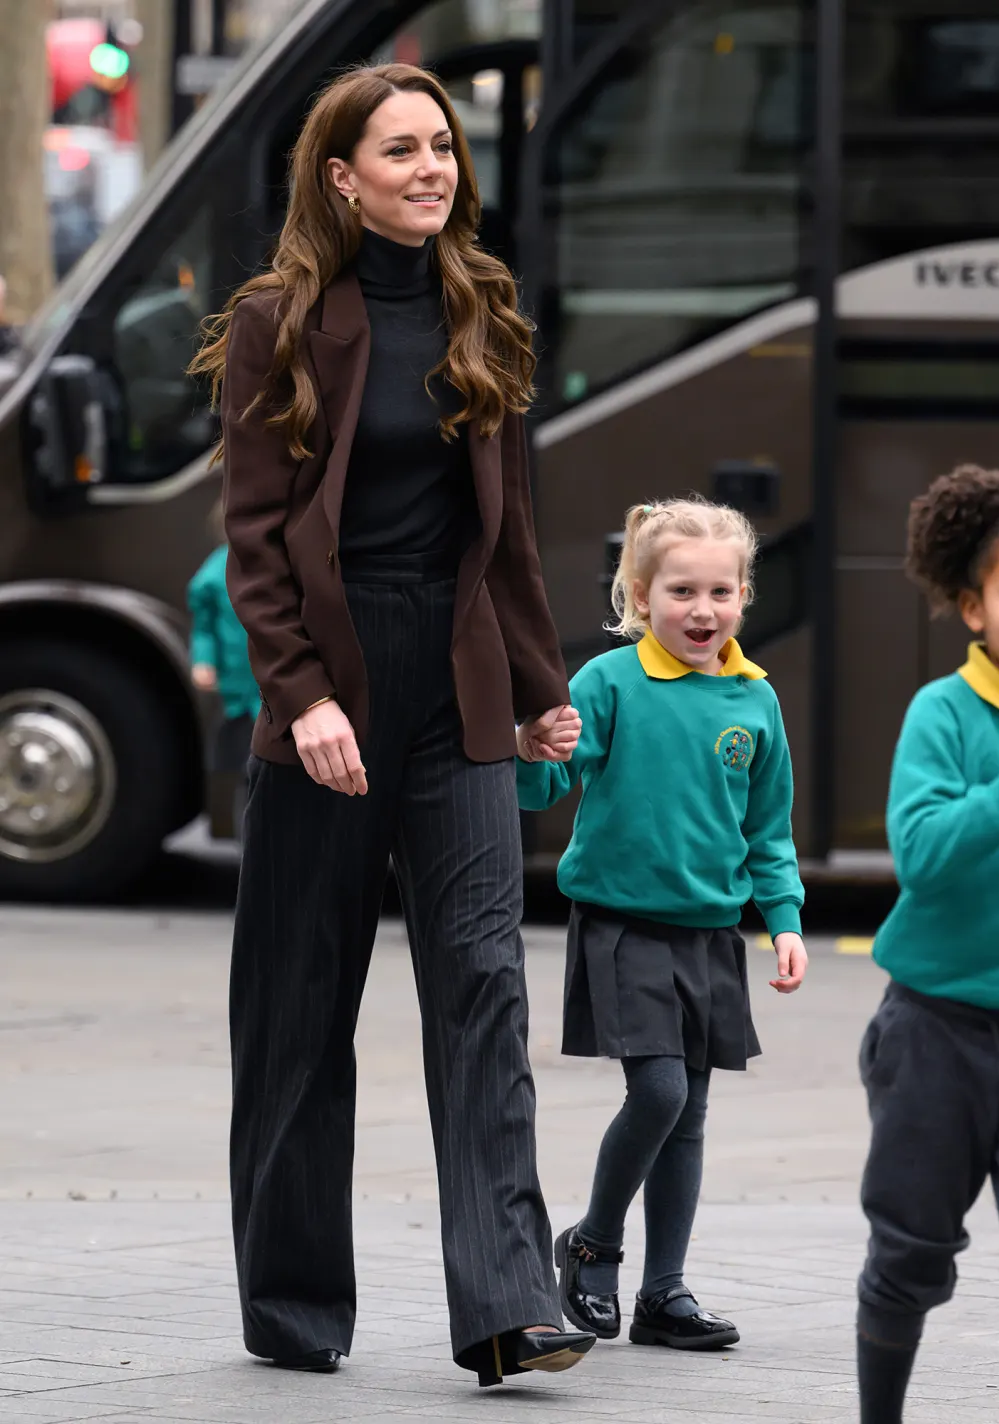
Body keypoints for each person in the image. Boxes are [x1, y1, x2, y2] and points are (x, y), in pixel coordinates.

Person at [187, 64, 595, 1387]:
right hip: (333, 682)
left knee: (483, 987)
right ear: (340, 175)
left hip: (456, 685)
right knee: (299, 1006)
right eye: (404, 150)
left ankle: (510, 1305)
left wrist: (540, 686)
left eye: (444, 147)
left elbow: (508, 528)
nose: (435, 168)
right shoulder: (279, 321)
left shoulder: (483, 305)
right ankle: (295, 1304)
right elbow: (253, 538)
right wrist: (298, 697)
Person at [517, 498, 808, 1350]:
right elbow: (542, 791)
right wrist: (533, 748)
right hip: (622, 926)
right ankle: (594, 1243)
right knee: (661, 1090)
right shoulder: (606, 683)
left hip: (713, 936)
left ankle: (664, 1295)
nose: (703, 609)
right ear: (640, 597)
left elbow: (769, 828)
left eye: (722, 591)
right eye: (682, 590)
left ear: (745, 597)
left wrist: (783, 921)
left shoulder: (756, 701)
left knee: (691, 1115)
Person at [855, 465, 999, 1424]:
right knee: (910, 1250)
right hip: (938, 1031)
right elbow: (926, 852)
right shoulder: (943, 715)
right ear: (970, 603)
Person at [186, 498, 261, 838]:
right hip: (235, 687)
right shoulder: (213, 576)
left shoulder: (272, 568)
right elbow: (203, 627)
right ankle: (232, 831)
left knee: (264, 763)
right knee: (233, 762)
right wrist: (203, 661)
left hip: (269, 685)